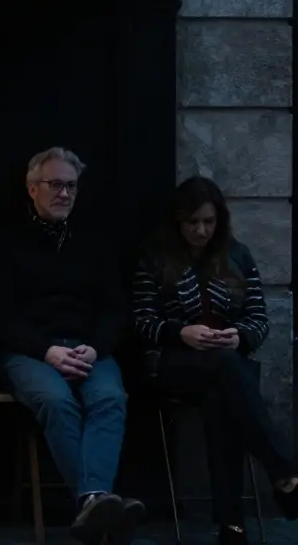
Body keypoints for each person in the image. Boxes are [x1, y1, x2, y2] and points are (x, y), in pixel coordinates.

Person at [0, 147, 143, 545]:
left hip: (87, 347)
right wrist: (47, 352)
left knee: (110, 397)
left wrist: (94, 346)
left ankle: (91, 501)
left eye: (71, 186)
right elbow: (0, 316)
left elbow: (114, 308)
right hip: (30, 352)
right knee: (57, 402)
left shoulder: (93, 241)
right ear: (31, 188)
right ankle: (98, 504)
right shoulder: (6, 242)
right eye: (55, 185)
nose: (64, 194)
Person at [132, 176, 298, 543]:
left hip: (226, 365)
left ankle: (232, 526)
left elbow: (258, 319)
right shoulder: (155, 257)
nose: (201, 230)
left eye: (208, 221)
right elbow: (141, 321)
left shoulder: (237, 255)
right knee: (226, 370)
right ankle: (285, 473)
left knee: (222, 393)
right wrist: (181, 332)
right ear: (178, 221)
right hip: (172, 362)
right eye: (192, 222)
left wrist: (238, 335)